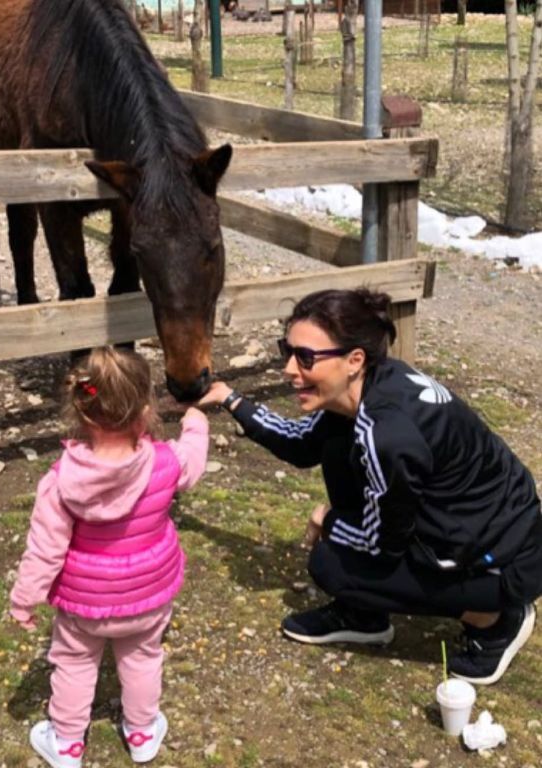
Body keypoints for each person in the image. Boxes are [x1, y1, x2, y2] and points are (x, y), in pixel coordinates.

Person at [199, 288, 542, 686]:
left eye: (305, 357)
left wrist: (329, 521)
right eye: (286, 350)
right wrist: (232, 399)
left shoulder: (386, 433)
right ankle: (364, 614)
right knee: (335, 448)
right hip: (479, 523)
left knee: (330, 562)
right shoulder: (370, 385)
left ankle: (495, 620)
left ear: (353, 360)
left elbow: (384, 544)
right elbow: (299, 442)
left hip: (503, 557)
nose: (289, 369)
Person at [10, 346, 209, 767]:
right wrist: (195, 425)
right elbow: (193, 462)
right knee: (142, 658)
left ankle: (65, 743)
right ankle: (141, 733)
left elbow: (44, 549)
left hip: (84, 602)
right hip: (148, 594)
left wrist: (25, 598)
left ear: (80, 412)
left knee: (75, 663)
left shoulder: (61, 480)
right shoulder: (167, 461)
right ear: (146, 410)